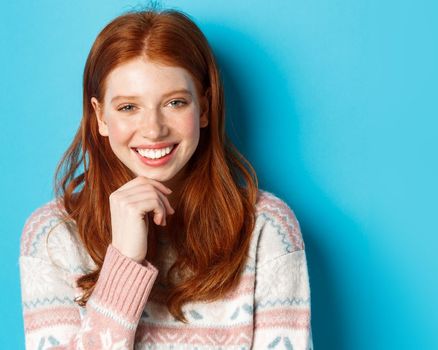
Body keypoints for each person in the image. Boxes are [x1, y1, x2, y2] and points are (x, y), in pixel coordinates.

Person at [19, 6, 313, 349]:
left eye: (175, 103)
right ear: (100, 116)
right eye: (129, 107)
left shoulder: (267, 228)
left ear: (203, 108)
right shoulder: (52, 236)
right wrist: (124, 263)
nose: (154, 130)